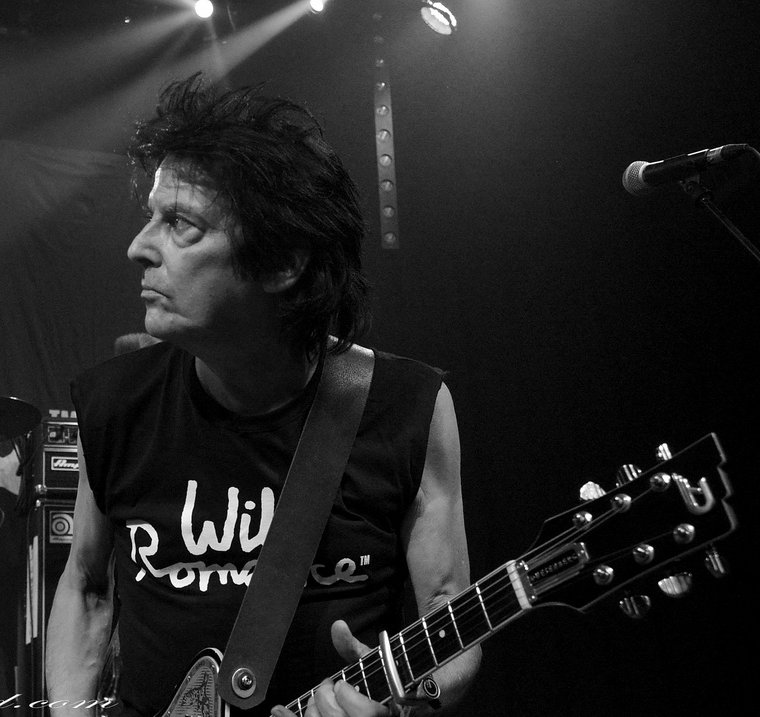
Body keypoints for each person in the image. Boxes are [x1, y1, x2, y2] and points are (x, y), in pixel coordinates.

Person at [46, 74, 480, 717]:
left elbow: (449, 617)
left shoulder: (405, 407)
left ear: (282, 263)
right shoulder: (114, 404)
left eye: (181, 224)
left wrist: (409, 703)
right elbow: (86, 590)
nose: (138, 248)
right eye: (150, 218)